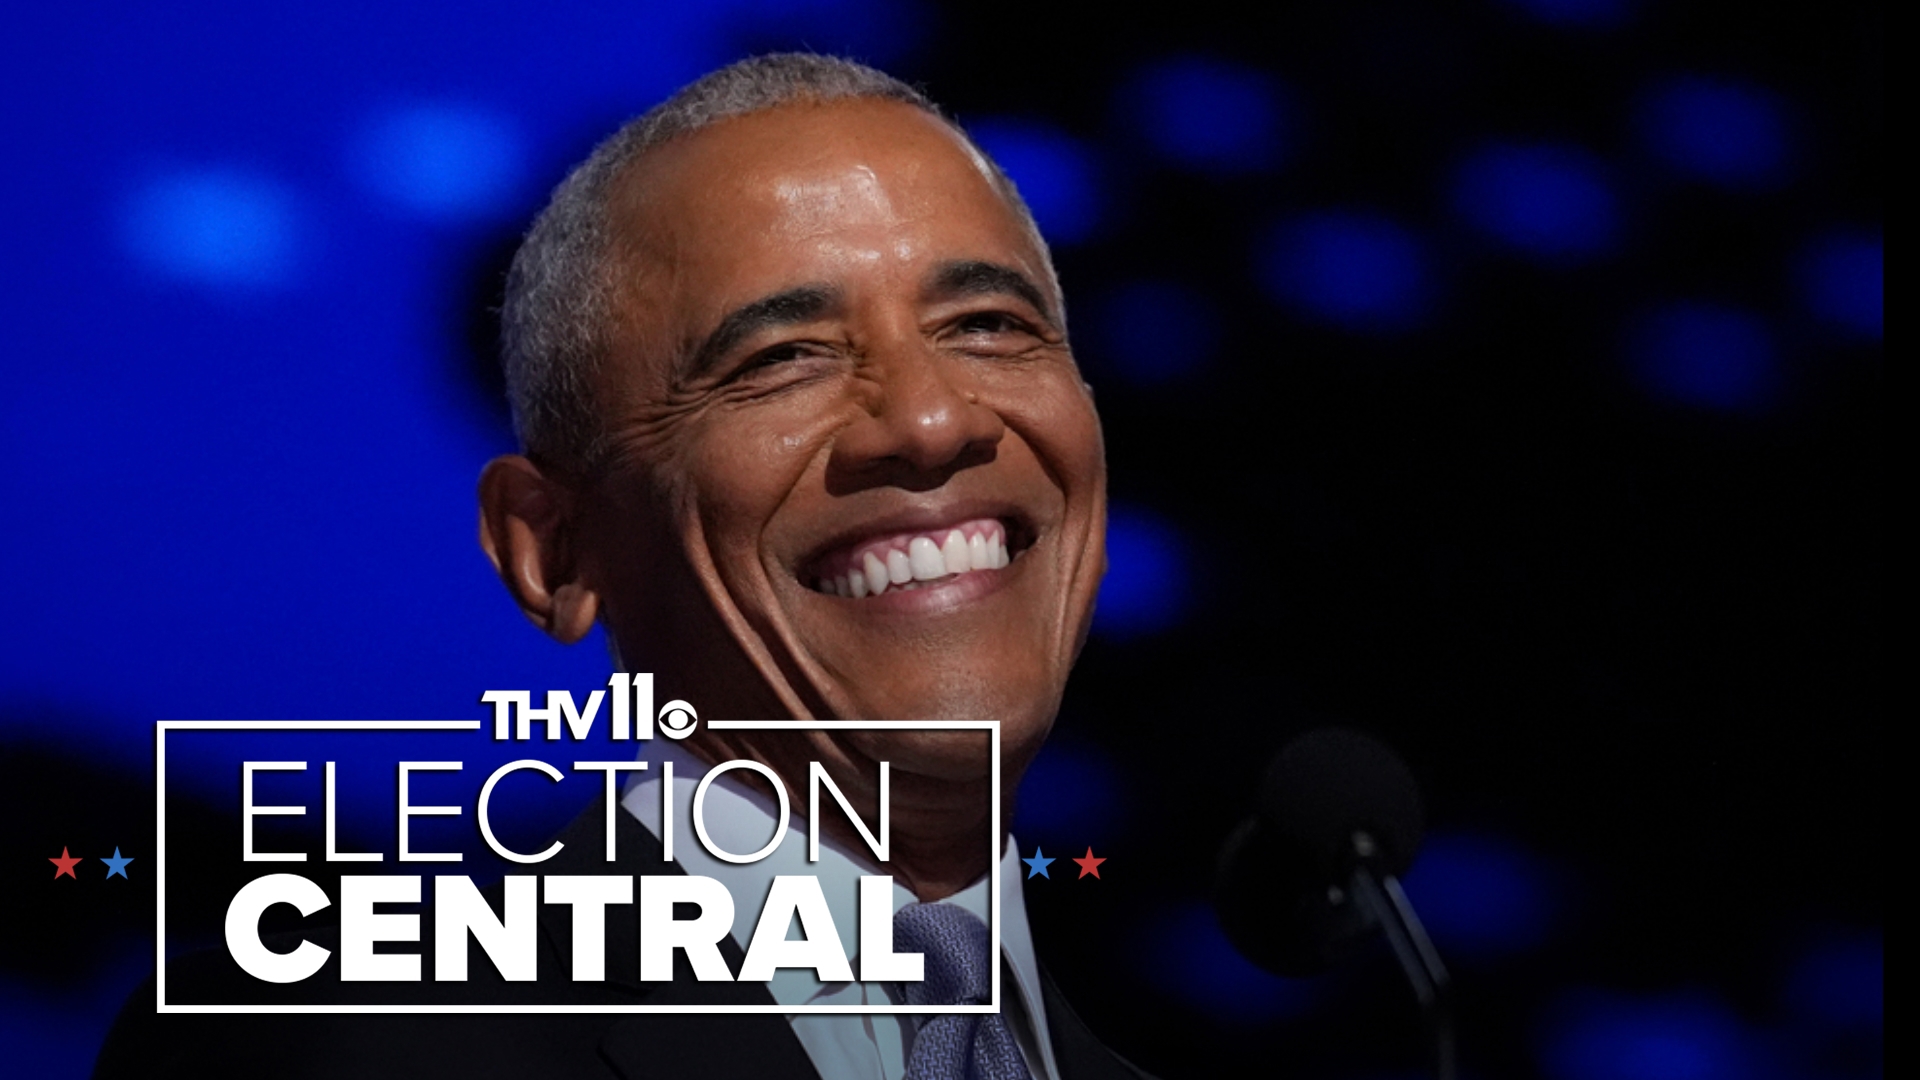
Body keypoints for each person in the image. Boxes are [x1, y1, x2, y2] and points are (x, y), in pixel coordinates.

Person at [95, 53, 1147, 1080]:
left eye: (990, 324)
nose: (929, 418)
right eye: (781, 359)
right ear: (550, 550)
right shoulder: (335, 1046)